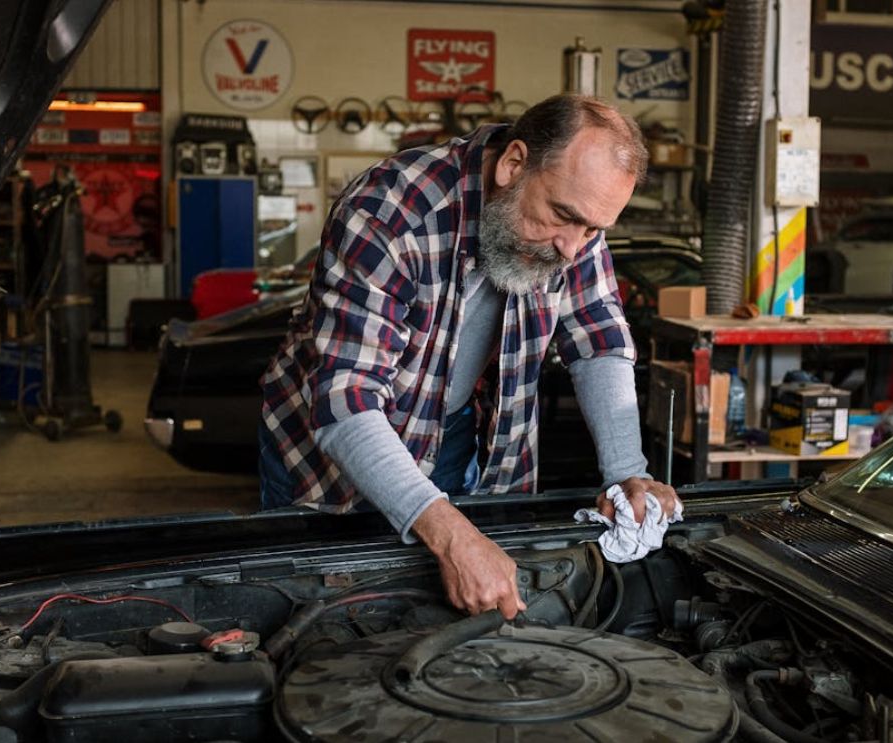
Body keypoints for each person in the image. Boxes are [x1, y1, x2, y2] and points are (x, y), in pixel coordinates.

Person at [259, 94, 679, 619]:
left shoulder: (574, 224)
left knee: (448, 612)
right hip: (329, 457)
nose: (574, 249)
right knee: (331, 616)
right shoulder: (390, 211)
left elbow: (599, 337)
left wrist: (626, 472)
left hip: (455, 431)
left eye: (593, 230)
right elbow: (347, 398)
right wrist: (451, 535)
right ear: (513, 165)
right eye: (564, 217)